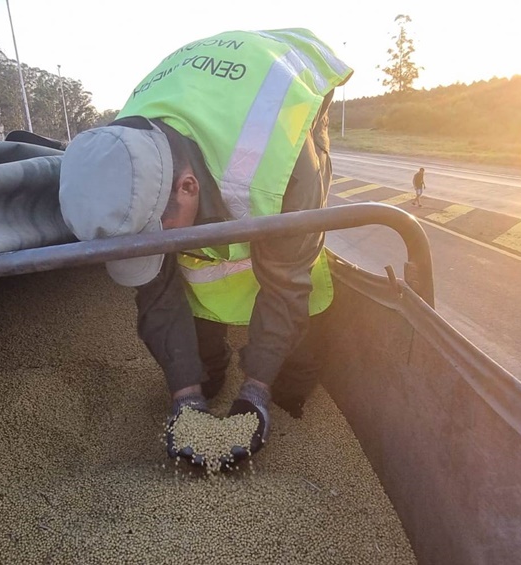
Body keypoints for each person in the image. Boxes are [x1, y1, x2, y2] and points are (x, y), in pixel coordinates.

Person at [58, 29, 352, 464]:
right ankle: (207, 377)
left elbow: (287, 285)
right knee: (194, 310)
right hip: (204, 102)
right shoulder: (122, 155)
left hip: (291, 91)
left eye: (155, 238)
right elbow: (156, 294)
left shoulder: (284, 161)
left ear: (188, 186)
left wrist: (255, 394)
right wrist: (186, 395)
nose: (153, 254)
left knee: (291, 294)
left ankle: (287, 389)